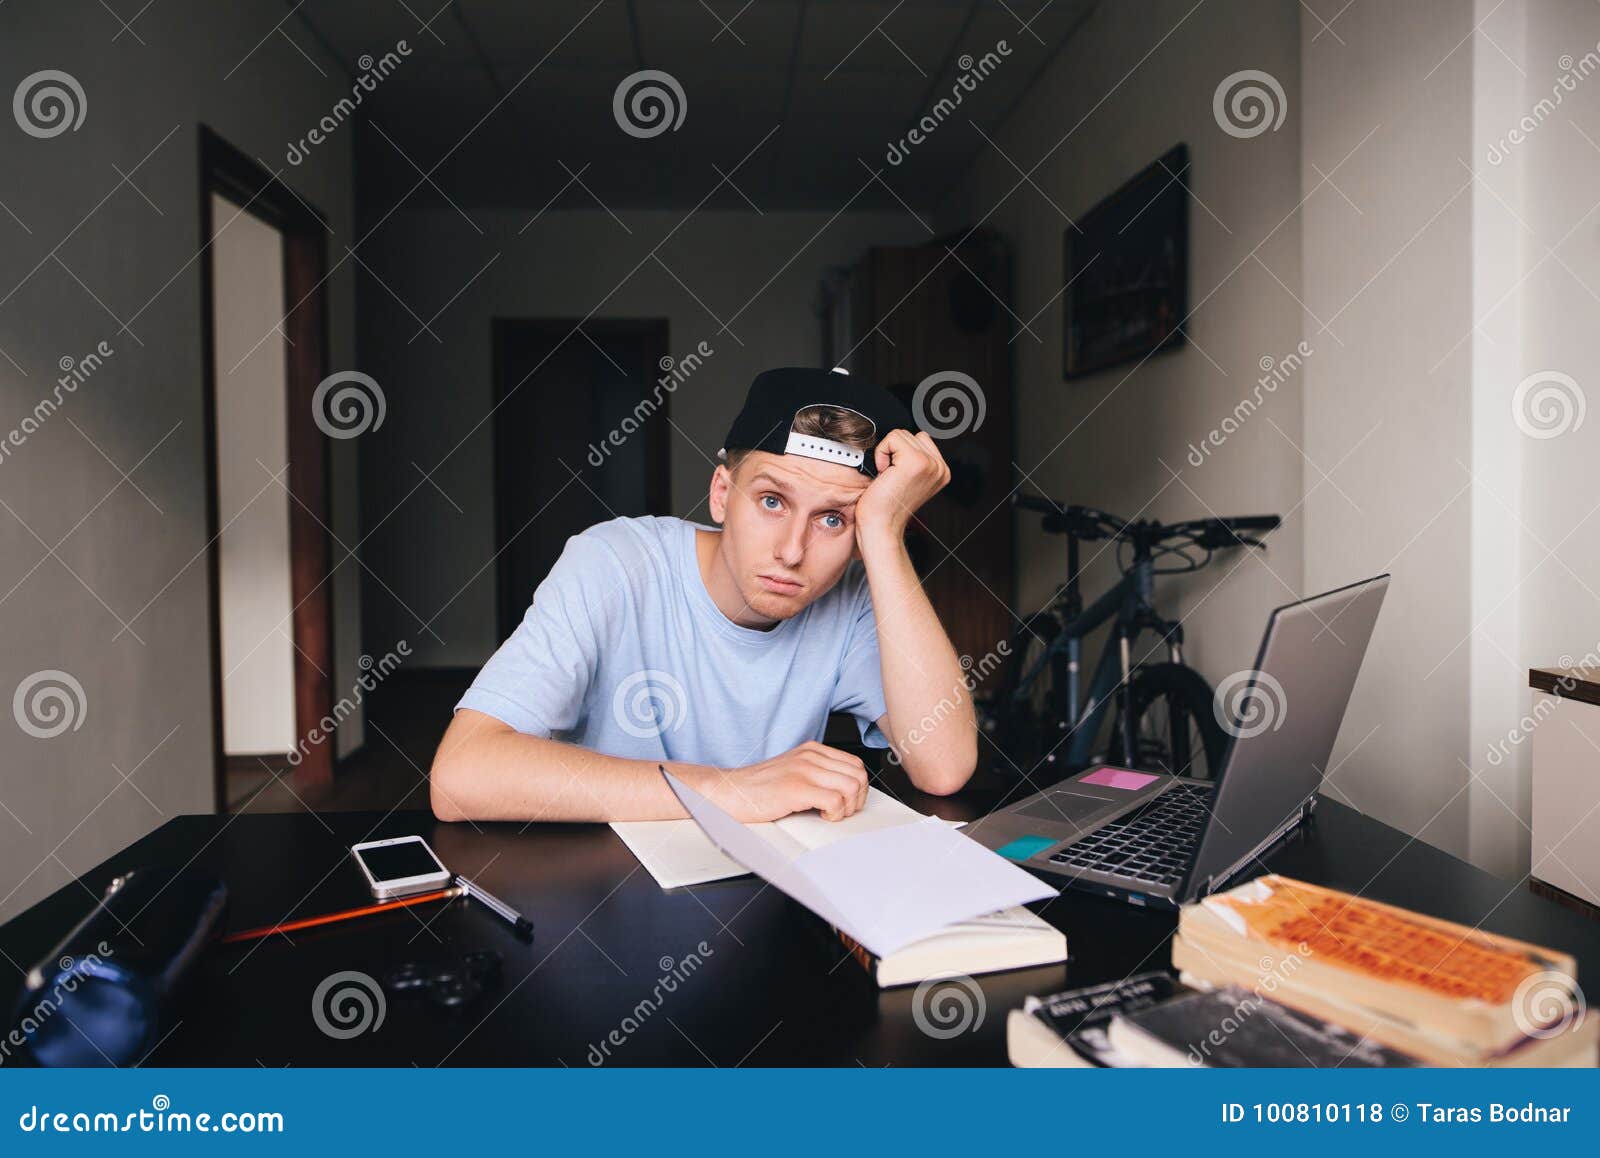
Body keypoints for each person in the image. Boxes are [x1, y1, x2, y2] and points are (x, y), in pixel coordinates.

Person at [429, 365, 977, 825]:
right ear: (722, 494)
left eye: (834, 519)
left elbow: (945, 766)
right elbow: (461, 775)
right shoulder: (615, 562)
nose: (791, 551)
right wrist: (735, 792)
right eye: (771, 501)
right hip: (604, 892)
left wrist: (884, 534)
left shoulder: (855, 597)